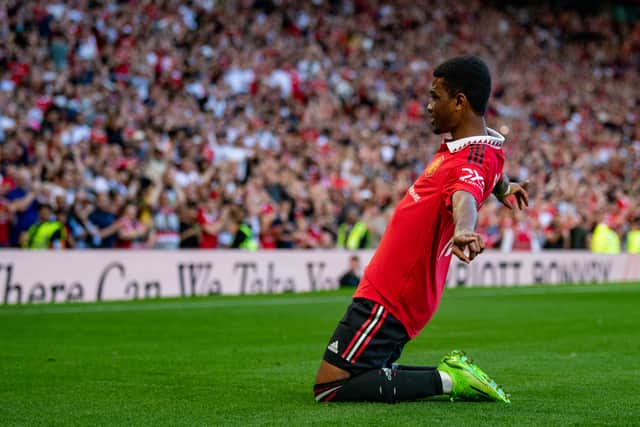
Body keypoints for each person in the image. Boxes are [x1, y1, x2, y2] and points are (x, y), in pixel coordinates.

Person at [314, 56, 529, 404]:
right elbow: (488, 173)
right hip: (394, 291)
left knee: (331, 387)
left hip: (391, 295)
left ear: (459, 102)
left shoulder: (468, 161)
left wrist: (464, 229)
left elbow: (465, 196)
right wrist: (504, 188)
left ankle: (450, 380)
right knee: (365, 372)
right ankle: (450, 377)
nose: (428, 106)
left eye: (435, 97)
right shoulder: (482, 147)